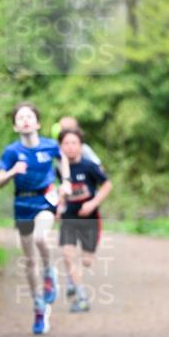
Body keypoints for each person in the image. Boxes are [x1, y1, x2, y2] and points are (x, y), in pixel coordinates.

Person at [0, 102, 69, 335]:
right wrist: (12, 172)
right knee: (29, 260)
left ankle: (50, 271)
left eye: (29, 116)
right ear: (15, 125)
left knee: (41, 238)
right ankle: (39, 307)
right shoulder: (11, 152)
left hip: (45, 199)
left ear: (37, 123)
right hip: (22, 204)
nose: (25, 120)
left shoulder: (50, 145)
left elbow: (63, 159)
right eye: (20, 117)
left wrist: (66, 181)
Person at [56, 128, 113, 312]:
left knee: (87, 261)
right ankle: (81, 296)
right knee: (68, 255)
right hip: (69, 218)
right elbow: (59, 191)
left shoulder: (89, 166)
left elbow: (107, 185)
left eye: (74, 143)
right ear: (60, 147)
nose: (70, 147)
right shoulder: (59, 169)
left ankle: (73, 278)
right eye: (66, 143)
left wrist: (92, 203)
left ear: (81, 146)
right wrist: (59, 206)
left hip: (90, 219)